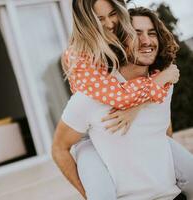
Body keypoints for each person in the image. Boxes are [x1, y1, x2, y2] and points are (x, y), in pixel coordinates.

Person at [53, 4, 193, 200]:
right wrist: (87, 194)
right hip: (87, 135)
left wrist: (159, 82)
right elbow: (120, 97)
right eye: (100, 19)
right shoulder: (80, 57)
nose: (109, 23)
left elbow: (161, 127)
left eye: (112, 15)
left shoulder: (158, 78)